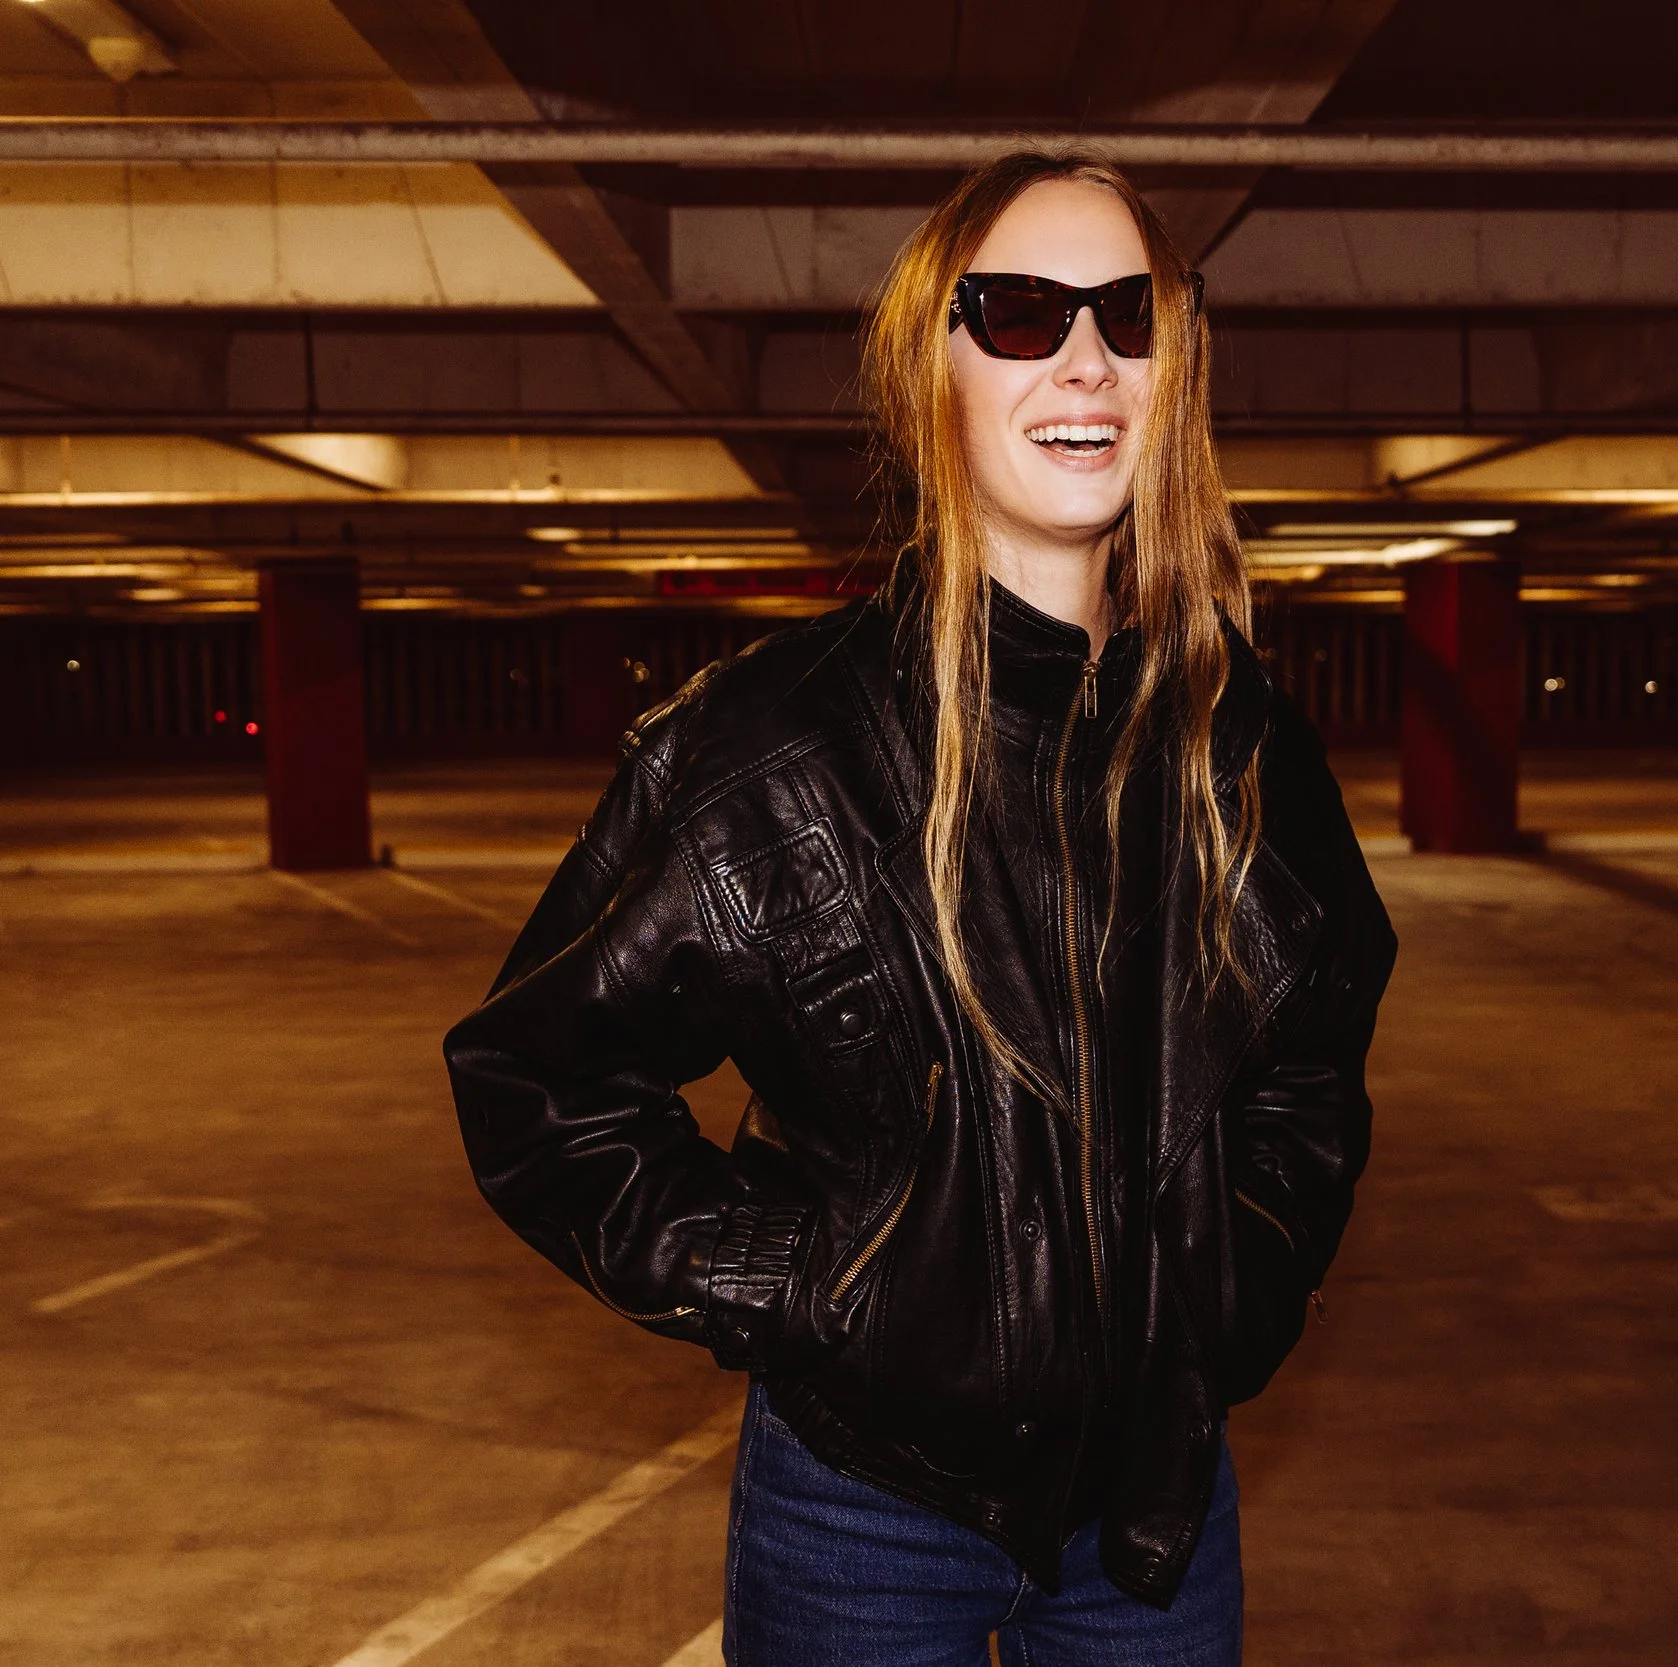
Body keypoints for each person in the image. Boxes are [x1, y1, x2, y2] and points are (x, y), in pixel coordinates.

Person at [442, 151, 1396, 1666]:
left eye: (1128, 315)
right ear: (929, 371)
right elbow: (536, 1076)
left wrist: (1233, 1287)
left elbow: (1313, 1065)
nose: (1086, 355)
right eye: (1020, 312)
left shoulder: (1244, 748)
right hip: (862, 1516)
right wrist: (791, 1278)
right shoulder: (769, 746)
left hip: (1155, 1514)